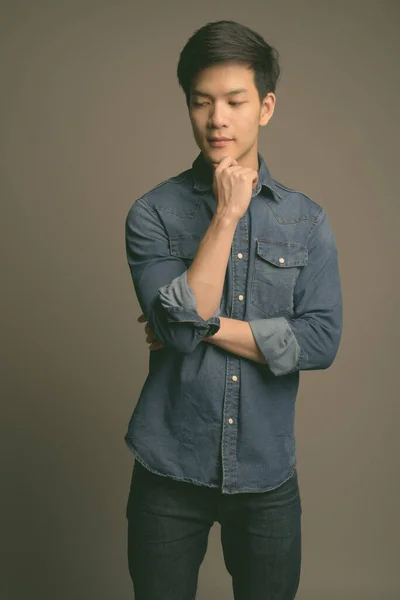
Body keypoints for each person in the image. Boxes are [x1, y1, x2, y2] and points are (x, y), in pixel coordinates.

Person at [124, 19, 343, 600]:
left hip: (267, 475)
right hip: (168, 471)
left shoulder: (307, 221)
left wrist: (205, 324)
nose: (216, 118)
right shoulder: (152, 214)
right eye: (201, 102)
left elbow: (320, 341)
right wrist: (226, 216)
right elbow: (177, 330)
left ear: (265, 107)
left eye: (234, 101)